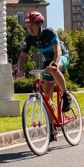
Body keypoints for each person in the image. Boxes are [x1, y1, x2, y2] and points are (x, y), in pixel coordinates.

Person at [14, 11, 71, 141]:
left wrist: (56, 64)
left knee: (53, 70)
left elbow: (58, 51)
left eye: (32, 25)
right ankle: (51, 128)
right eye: (27, 26)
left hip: (62, 57)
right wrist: (20, 69)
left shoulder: (49, 33)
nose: (30, 29)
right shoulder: (29, 39)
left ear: (40, 24)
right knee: (47, 97)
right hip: (47, 63)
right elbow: (22, 56)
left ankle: (66, 94)